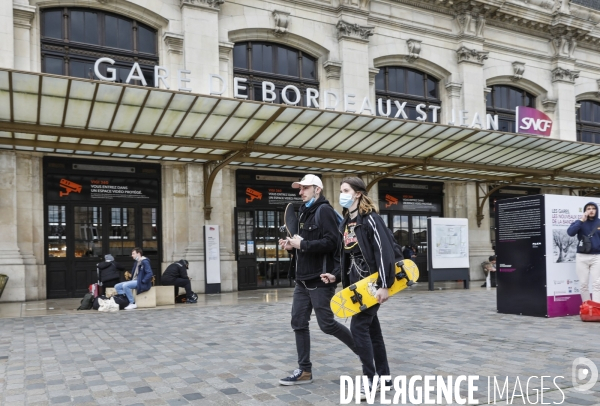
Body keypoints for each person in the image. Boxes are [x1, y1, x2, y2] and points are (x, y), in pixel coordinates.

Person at [322, 177, 399, 398]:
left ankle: (371, 380)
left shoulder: (371, 219)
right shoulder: (345, 222)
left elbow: (384, 251)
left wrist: (384, 285)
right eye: (340, 190)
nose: (341, 194)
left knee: (358, 328)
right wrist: (335, 276)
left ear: (357, 194)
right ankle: (384, 380)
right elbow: (345, 257)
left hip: (373, 282)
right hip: (356, 284)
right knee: (372, 331)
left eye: (345, 190)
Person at [278, 174, 357, 386]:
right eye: (299, 188)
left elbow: (332, 242)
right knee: (298, 322)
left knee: (327, 324)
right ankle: (304, 370)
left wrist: (302, 245)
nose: (300, 192)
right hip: (302, 280)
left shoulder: (324, 211)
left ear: (317, 190)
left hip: (320, 280)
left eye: (305, 188)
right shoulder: (304, 212)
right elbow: (304, 245)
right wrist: (291, 247)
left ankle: (365, 351)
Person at [567, 202, 600, 302]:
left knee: (597, 284)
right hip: (582, 257)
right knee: (583, 284)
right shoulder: (579, 222)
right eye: (588, 208)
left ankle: (597, 309)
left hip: (597, 256)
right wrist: (581, 220)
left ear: (596, 210)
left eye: (593, 208)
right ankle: (587, 307)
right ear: (585, 211)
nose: (591, 210)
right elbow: (570, 233)